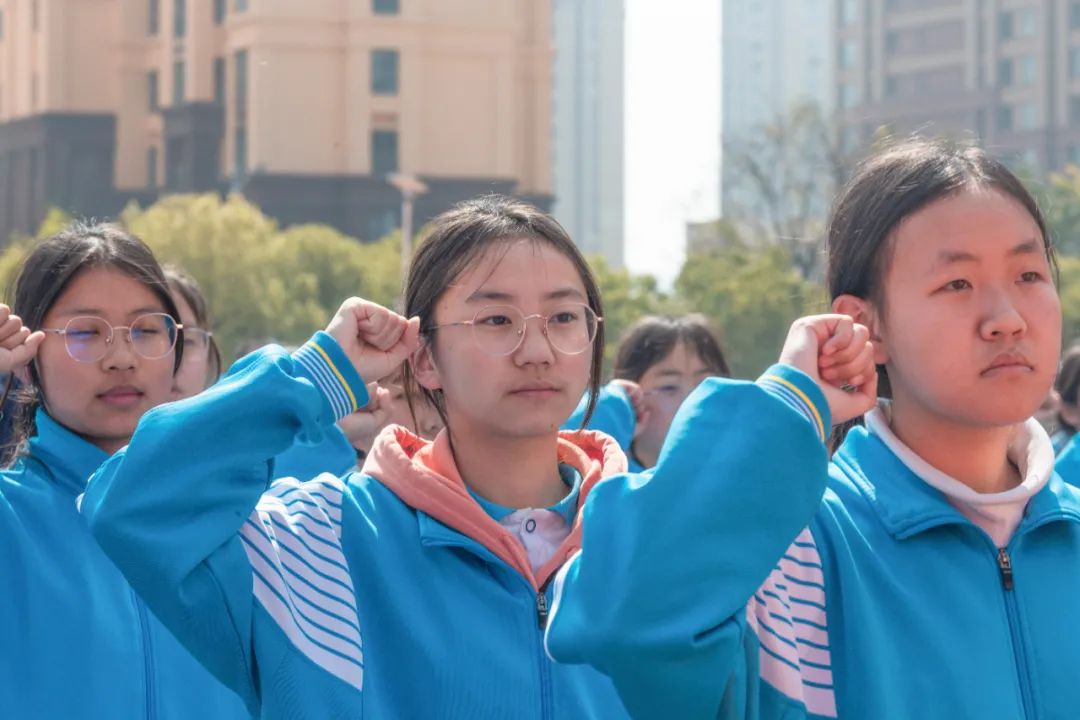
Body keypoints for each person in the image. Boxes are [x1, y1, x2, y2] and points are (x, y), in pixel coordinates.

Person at [80, 196, 873, 718]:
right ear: (423, 357)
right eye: (495, 321)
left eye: (564, 318)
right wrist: (318, 373)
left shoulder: (653, 546)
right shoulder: (321, 546)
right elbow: (132, 507)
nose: (537, 349)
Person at [545, 138, 1080, 719]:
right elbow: (623, 621)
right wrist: (787, 403)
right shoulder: (793, 557)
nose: (1007, 319)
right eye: (958, 283)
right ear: (863, 323)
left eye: (1029, 274)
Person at [0, 223, 249, 718]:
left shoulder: (234, 516)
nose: (121, 358)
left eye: (146, 330)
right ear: (28, 358)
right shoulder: (11, 518)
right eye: (85, 333)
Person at [565, 313, 730, 470]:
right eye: (669, 387)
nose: (693, 400)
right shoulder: (611, 478)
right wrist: (613, 405)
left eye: (706, 385)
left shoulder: (735, 476)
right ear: (633, 401)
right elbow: (563, 449)